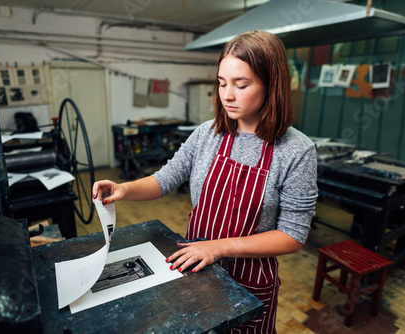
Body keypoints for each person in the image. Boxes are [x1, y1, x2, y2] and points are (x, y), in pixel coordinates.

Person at [93, 30, 318, 333]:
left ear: (272, 86)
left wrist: (218, 248)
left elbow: (292, 235)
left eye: (241, 84)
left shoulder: (296, 150)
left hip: (249, 279)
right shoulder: (208, 134)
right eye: (222, 83)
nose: (227, 95)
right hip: (198, 267)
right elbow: (165, 179)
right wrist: (126, 189)